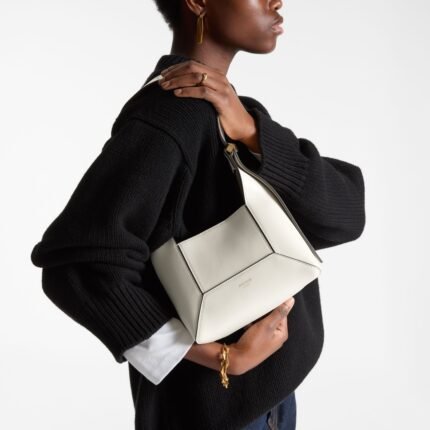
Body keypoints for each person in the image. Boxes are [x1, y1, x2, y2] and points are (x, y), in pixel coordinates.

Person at [30, 0, 366, 429]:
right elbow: (79, 263)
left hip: (264, 404)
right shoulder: (173, 113)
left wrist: (252, 132)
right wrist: (224, 358)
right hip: (215, 412)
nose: (277, 1)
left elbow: (344, 216)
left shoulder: (229, 115)